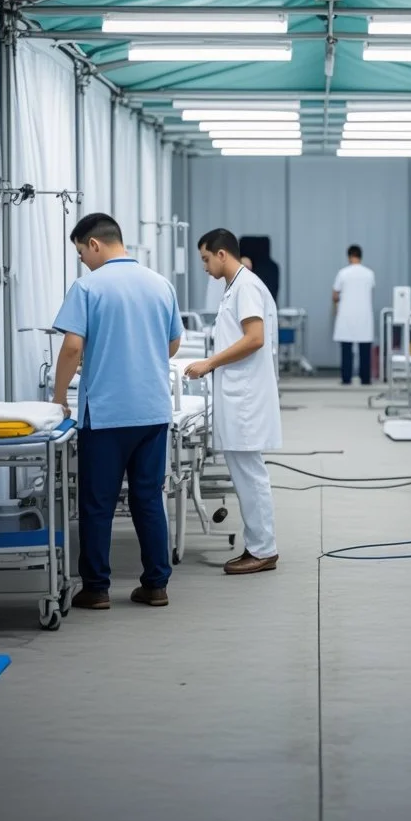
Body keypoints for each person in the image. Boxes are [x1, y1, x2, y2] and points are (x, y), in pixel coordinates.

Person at [52, 213, 183, 610]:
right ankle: (156, 584)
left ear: (94, 244)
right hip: (152, 412)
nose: (82, 261)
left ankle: (96, 589)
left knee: (97, 502)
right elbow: (173, 343)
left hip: (107, 414)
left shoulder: (88, 287)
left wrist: (59, 397)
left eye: (80, 253)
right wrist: (140, 358)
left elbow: (73, 348)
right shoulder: (160, 284)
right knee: (148, 497)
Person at [185, 229, 281, 575]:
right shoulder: (235, 288)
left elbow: (255, 339)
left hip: (247, 398)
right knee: (245, 474)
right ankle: (257, 544)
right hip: (240, 395)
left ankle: (263, 549)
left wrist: (209, 363)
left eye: (206, 259)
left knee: (251, 474)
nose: (205, 266)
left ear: (222, 254)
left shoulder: (246, 287)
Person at [333, 245, 376, 385]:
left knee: (346, 348)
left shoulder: (343, 273)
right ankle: (365, 378)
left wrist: (336, 304)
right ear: (360, 256)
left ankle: (346, 378)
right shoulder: (369, 273)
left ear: (349, 256)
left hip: (346, 314)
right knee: (365, 349)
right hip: (364, 314)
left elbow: (335, 294)